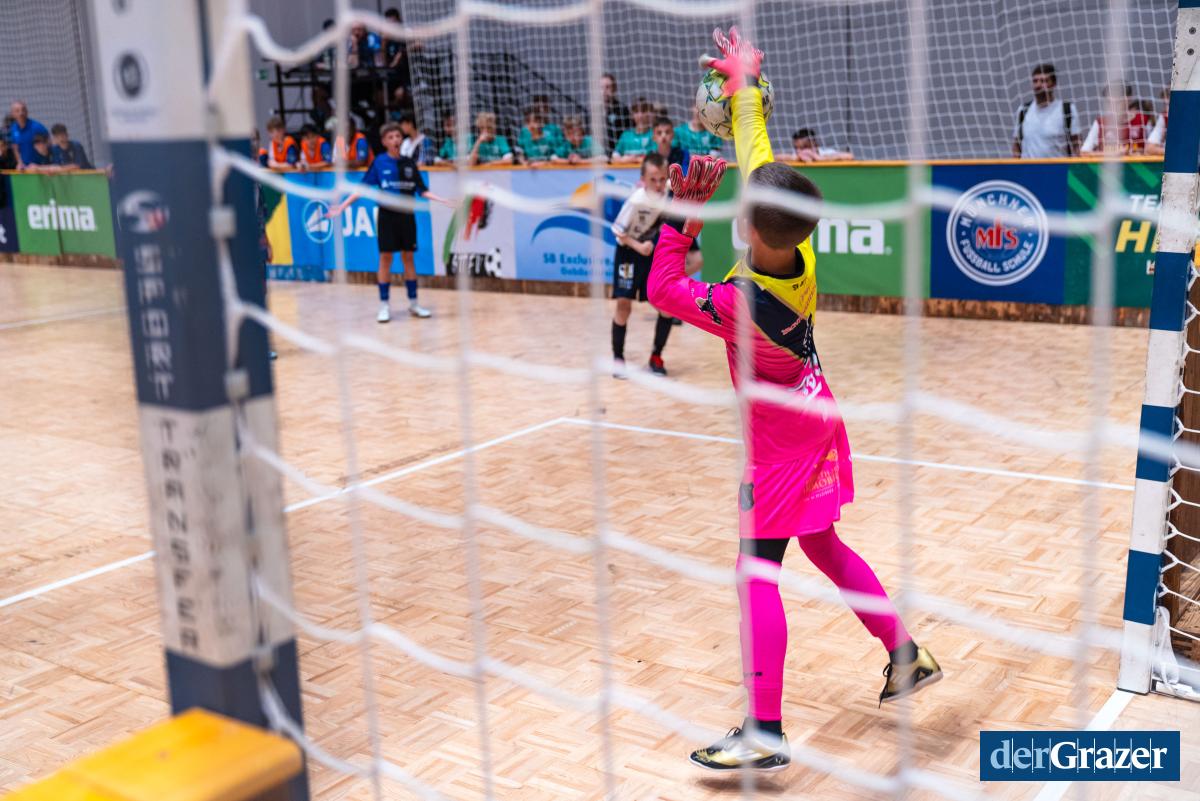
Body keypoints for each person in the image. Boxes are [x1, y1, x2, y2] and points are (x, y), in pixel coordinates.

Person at [645, 28, 941, 772]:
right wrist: (745, 89)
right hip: (817, 411)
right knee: (823, 544)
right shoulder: (801, 251)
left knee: (756, 572)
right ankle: (905, 652)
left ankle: (765, 731)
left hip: (779, 446)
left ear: (746, 225)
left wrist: (683, 211)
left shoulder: (738, 303)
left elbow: (663, 288)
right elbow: (759, 154)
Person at [325, 122, 451, 321]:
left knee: (408, 258)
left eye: (398, 136)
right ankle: (384, 305)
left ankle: (414, 304)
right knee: (385, 259)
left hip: (407, 216)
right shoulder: (379, 163)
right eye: (391, 137)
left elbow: (422, 190)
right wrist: (342, 206)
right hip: (387, 217)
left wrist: (443, 200)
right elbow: (362, 189)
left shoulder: (409, 163)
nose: (395, 140)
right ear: (384, 142)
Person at [610, 152, 673, 377]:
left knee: (666, 307)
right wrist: (639, 246)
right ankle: (618, 360)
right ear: (643, 180)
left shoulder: (669, 197)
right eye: (653, 179)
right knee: (623, 306)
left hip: (650, 255)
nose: (658, 184)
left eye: (662, 179)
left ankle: (656, 356)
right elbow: (617, 230)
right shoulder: (636, 200)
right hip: (629, 253)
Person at [1012, 63, 1080, 158]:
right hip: (1027, 167)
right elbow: (1016, 145)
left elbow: (1077, 145)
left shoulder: (1067, 109)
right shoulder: (1023, 110)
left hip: (1058, 166)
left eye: (1043, 81)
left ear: (1053, 84)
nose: (1038, 85)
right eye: (1035, 81)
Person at [1081, 83, 1151, 156]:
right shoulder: (1100, 123)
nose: (1113, 106)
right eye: (1109, 102)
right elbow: (1084, 153)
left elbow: (1152, 150)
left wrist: (1140, 153)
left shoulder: (1143, 120)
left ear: (1128, 99)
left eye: (1117, 102)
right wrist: (1112, 154)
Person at [611, 98, 655, 163]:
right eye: (636, 112)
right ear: (632, 115)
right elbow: (614, 157)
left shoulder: (654, 134)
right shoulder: (626, 135)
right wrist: (620, 159)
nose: (640, 116)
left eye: (643, 111)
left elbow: (655, 158)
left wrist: (633, 159)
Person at [7, 101, 48, 169]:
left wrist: (42, 164)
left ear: (27, 112)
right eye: (17, 111)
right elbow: (15, 147)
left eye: (23, 110)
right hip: (25, 169)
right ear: (12, 114)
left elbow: (49, 142)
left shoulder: (37, 127)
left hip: (40, 167)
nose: (21, 113)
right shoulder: (14, 128)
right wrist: (20, 162)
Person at [602, 73, 633, 155]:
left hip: (617, 156)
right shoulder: (592, 112)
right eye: (601, 87)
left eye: (607, 87)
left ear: (614, 89)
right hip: (597, 156)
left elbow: (629, 134)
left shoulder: (622, 110)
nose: (604, 91)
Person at [1146, 88, 1169, 156]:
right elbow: (1149, 148)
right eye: (1165, 105)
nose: (1167, 109)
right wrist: (1173, 152)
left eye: (1169, 105)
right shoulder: (1164, 117)